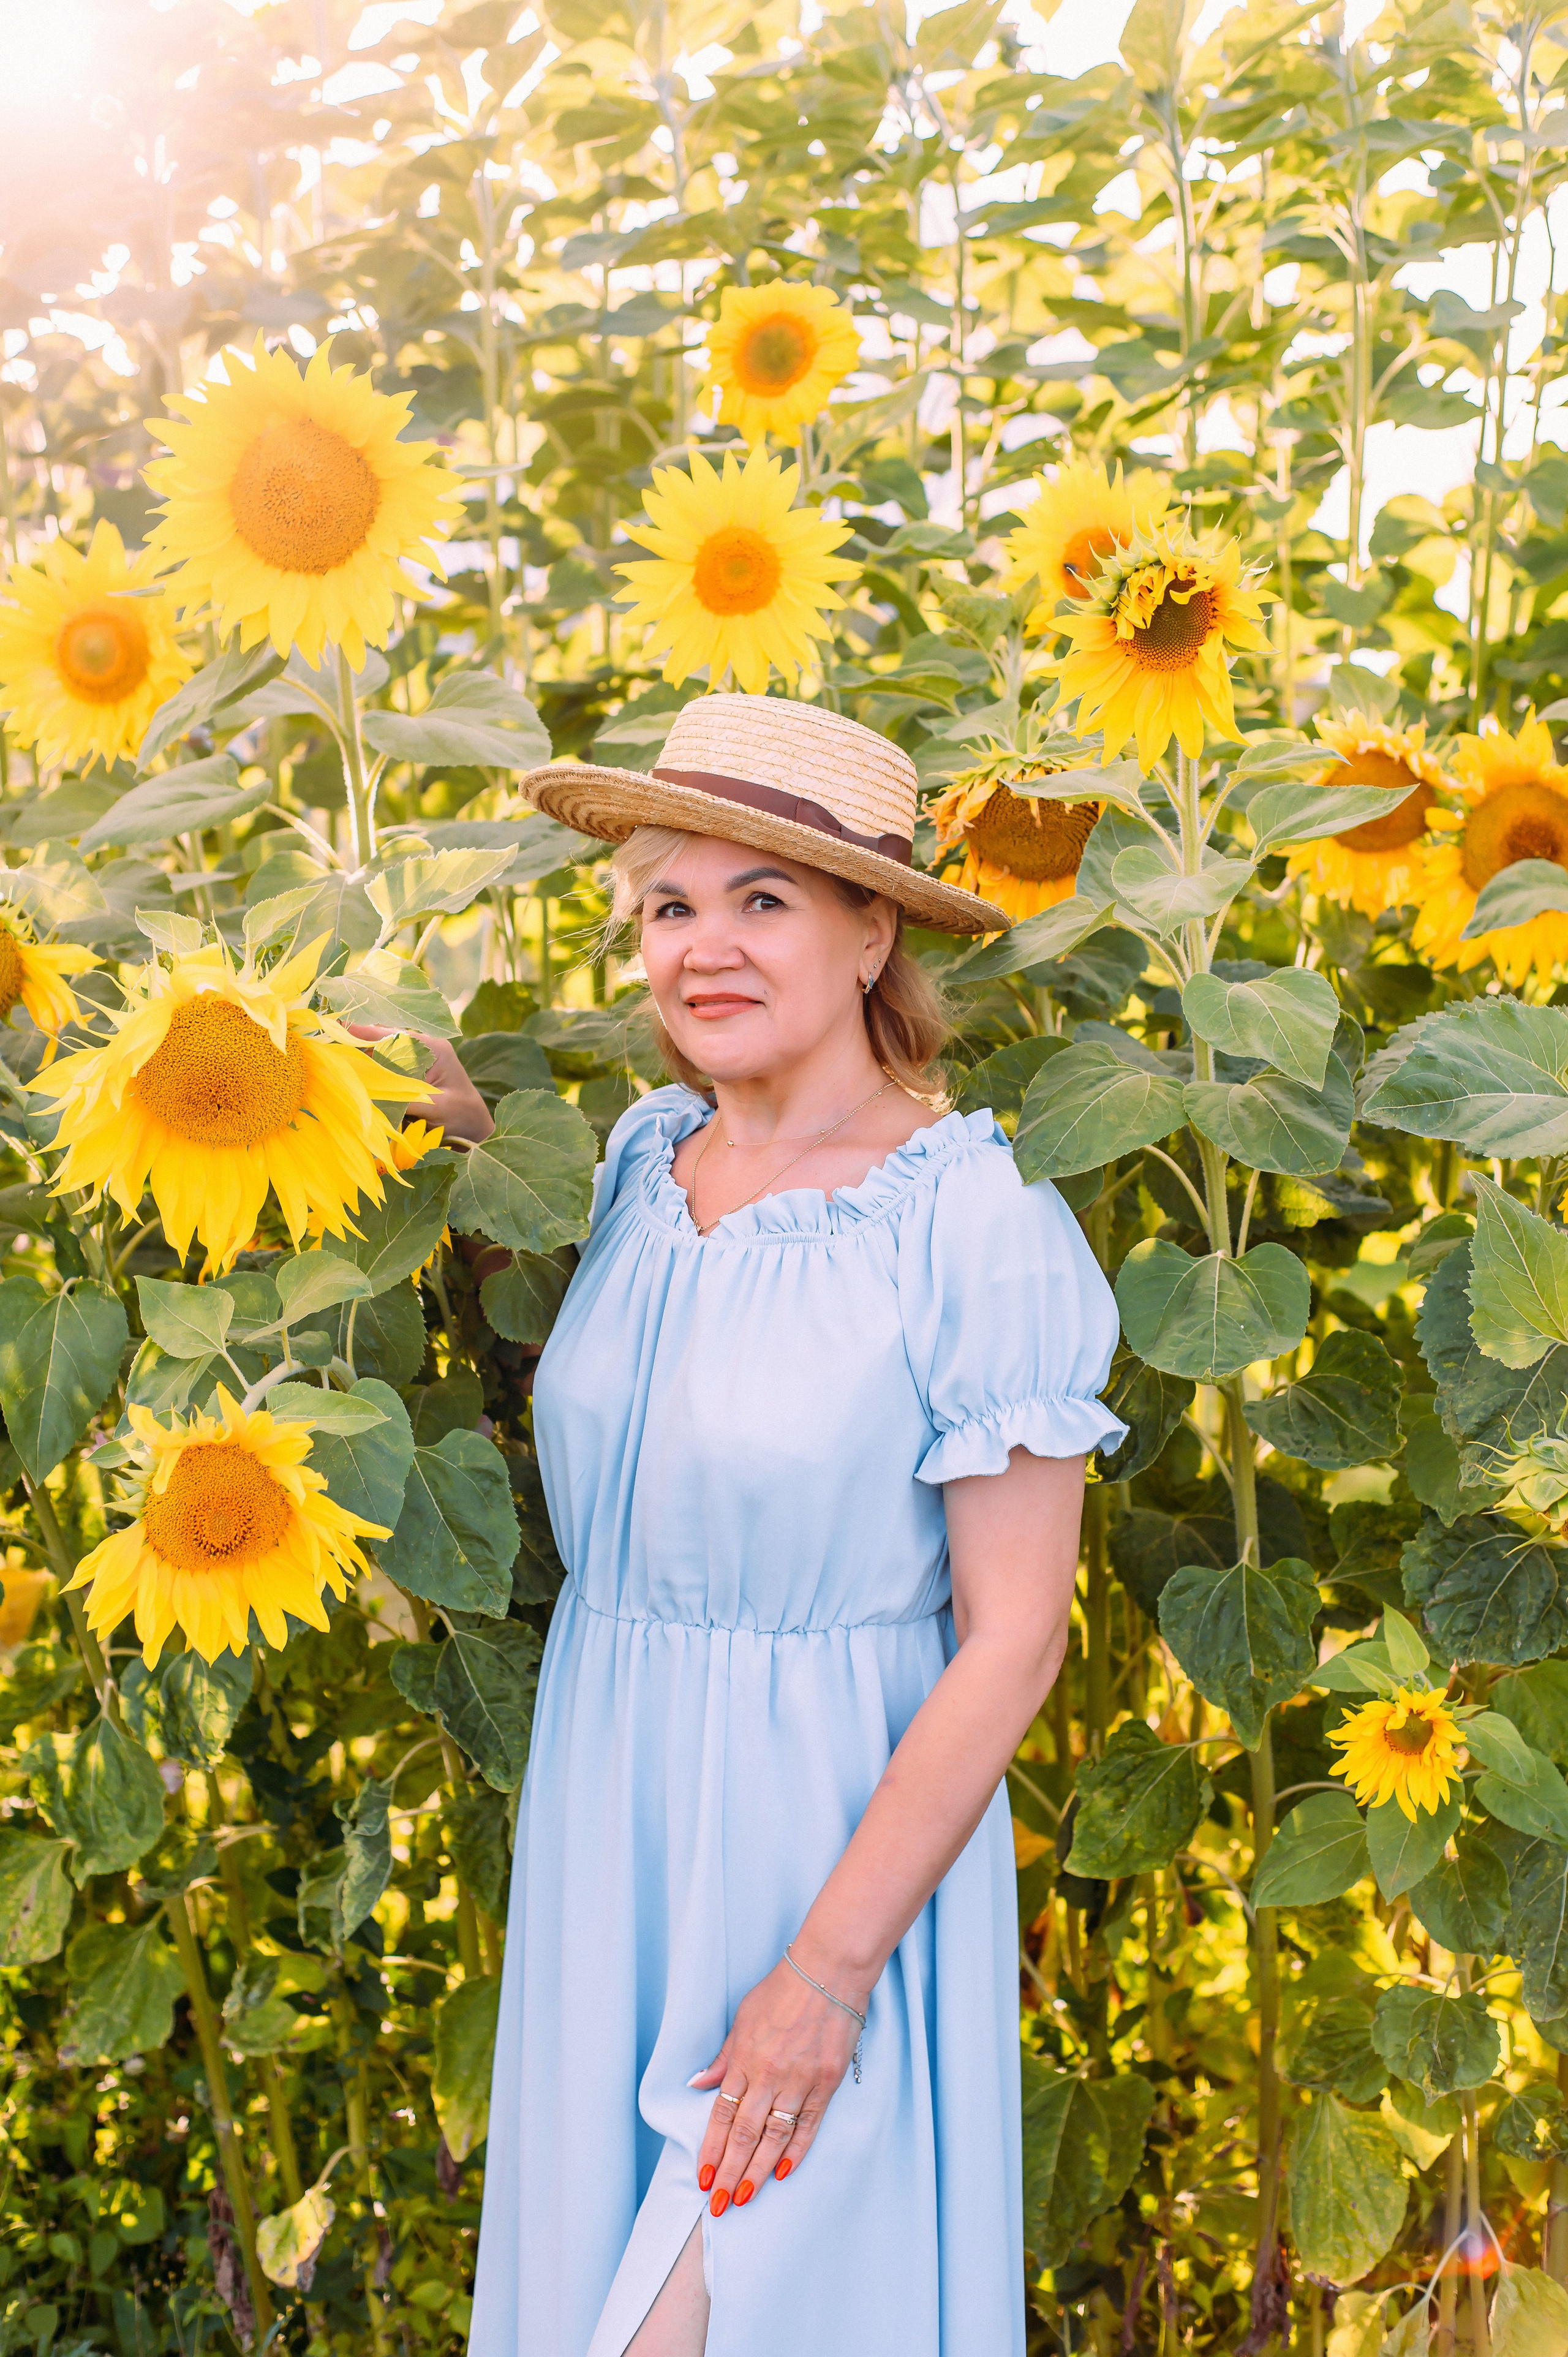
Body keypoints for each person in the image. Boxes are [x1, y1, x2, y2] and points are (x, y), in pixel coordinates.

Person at [467, 693, 1126, 2357]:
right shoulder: (640, 1164)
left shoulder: (970, 1214)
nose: (705, 948)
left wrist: (827, 1976)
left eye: (762, 900)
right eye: (669, 905)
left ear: (871, 930)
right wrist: (436, 1130)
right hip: (614, 1817)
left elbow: (1017, 1639)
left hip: (829, 1851)